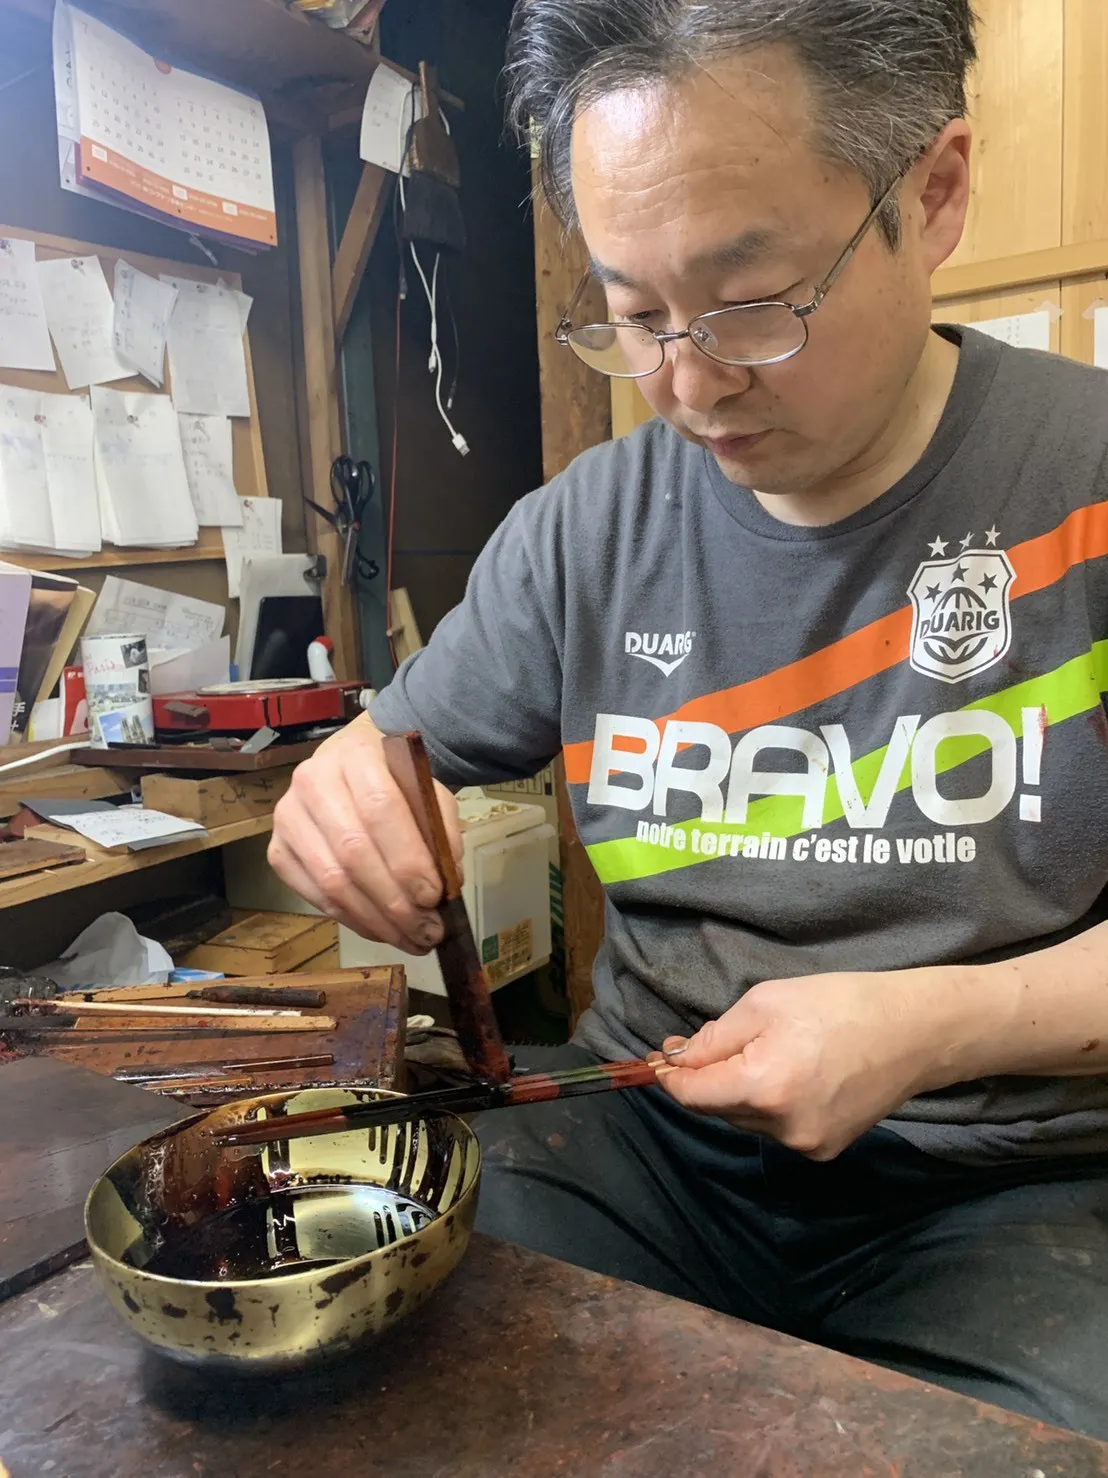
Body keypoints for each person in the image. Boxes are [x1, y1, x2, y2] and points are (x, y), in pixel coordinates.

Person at [269, 0, 1108, 1438]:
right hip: (642, 1141)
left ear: (934, 193)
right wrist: (338, 795)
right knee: (373, 1376)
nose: (689, 383)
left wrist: (928, 1025)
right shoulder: (582, 532)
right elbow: (383, 754)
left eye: (751, 300)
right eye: (636, 313)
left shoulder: (1081, 482)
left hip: (1014, 1185)